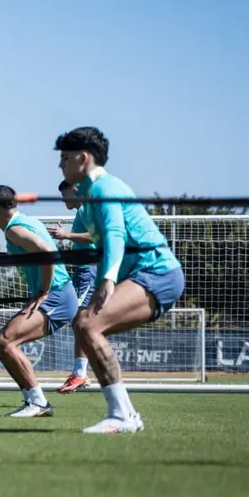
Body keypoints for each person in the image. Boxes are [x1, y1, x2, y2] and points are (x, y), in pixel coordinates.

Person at [55, 126, 185, 434]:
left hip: (158, 273)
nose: (60, 165)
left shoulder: (104, 188)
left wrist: (109, 281)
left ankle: (122, 415)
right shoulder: (88, 198)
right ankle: (124, 415)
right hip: (144, 275)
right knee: (85, 324)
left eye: (64, 158)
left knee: (87, 324)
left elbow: (114, 234)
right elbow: (101, 245)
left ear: (83, 158)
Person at [0, 184, 78, 418]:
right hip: (58, 294)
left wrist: (43, 291)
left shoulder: (14, 230)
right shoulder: (26, 221)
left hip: (57, 296)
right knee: (1, 343)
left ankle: (38, 403)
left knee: (6, 341)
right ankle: (32, 401)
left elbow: (47, 254)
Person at [49, 180, 96, 393]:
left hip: (89, 270)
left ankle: (80, 373)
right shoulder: (81, 212)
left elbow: (96, 236)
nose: (63, 200)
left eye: (65, 194)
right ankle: (79, 373)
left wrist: (66, 235)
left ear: (75, 190)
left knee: (80, 320)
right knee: (81, 321)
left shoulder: (87, 208)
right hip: (83, 270)